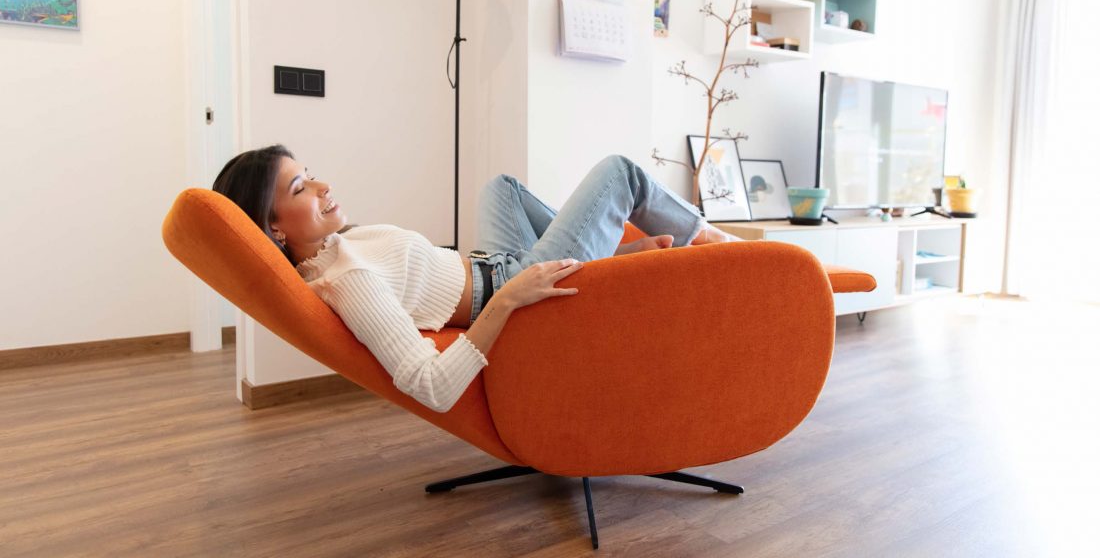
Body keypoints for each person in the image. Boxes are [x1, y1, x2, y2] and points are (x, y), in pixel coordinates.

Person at [212, 145, 738, 413]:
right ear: (274, 228)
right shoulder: (346, 279)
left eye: (309, 175)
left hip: (495, 262)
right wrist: (509, 299)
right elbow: (432, 386)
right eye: (301, 188)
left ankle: (607, 259)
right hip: (512, 286)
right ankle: (710, 239)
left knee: (500, 187)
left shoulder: (335, 248)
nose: (323, 186)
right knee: (620, 173)